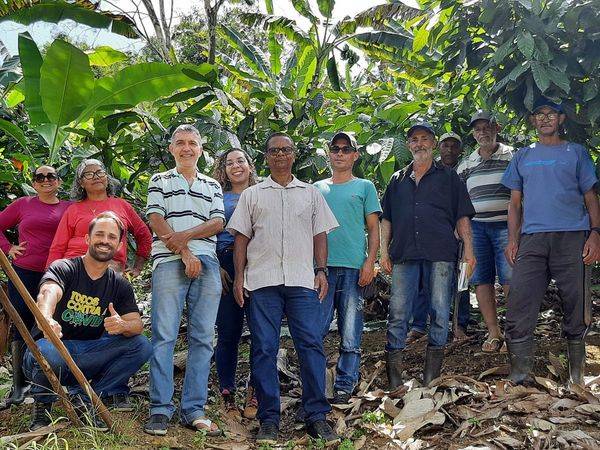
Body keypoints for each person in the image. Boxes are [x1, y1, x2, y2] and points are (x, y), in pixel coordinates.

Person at [227, 132, 340, 445]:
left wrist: (321, 271)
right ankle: (269, 419)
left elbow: (320, 235)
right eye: (274, 150)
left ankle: (317, 415)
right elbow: (241, 239)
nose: (280, 155)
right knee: (263, 348)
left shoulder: (310, 193)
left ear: (293, 154)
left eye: (285, 150)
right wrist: (239, 277)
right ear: (266, 156)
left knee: (311, 344)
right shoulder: (253, 195)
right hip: (262, 282)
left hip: (302, 280)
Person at [23, 211, 152, 431]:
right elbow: (48, 292)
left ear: (119, 244)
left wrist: (123, 325)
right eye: (99, 234)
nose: (105, 240)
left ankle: (85, 398)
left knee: (141, 345)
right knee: (48, 352)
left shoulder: (119, 284)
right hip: (53, 348)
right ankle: (42, 409)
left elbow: (137, 324)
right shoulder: (65, 267)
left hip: (90, 352)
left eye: (112, 237)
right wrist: (45, 318)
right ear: (87, 239)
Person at [501, 99, 600, 386]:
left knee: (576, 302)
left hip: (572, 237)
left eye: (550, 114)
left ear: (561, 119)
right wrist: (513, 240)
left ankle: (576, 375)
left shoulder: (576, 153)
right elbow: (514, 204)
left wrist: (595, 232)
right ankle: (519, 375)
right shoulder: (523, 156)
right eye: (539, 115)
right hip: (533, 239)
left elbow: (590, 197)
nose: (545, 119)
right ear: (533, 121)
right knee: (519, 301)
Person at [380, 122, 476, 389]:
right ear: (408, 145)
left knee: (440, 310)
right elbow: (386, 219)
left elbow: (462, 217)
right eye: (414, 139)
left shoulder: (450, 178)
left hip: (441, 253)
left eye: (424, 139)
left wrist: (469, 251)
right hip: (404, 254)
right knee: (398, 312)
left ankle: (431, 377)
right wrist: (382, 252)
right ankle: (395, 379)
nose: (419, 144)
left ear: (433, 143)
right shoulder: (397, 180)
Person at [144, 124, 225, 436]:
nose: (187, 148)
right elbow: (156, 218)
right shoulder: (160, 180)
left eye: (193, 143)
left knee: (203, 338)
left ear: (201, 150)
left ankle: (193, 409)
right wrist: (184, 252)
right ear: (172, 149)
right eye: (181, 143)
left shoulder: (212, 185)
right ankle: (160, 409)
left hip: (207, 261)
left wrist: (186, 240)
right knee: (163, 336)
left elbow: (218, 222)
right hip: (168, 261)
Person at [314, 132, 381, 405]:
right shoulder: (316, 188)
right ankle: (317, 385)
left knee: (351, 331)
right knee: (315, 330)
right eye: (335, 149)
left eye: (346, 149)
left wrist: (371, 262)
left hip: (354, 268)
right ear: (329, 153)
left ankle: (345, 384)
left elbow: (374, 228)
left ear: (355, 155)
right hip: (322, 269)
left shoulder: (365, 186)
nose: (339, 153)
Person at [0, 166, 71, 409]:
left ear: (59, 181)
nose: (46, 180)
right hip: (24, 271)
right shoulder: (23, 204)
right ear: (34, 182)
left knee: (51, 324)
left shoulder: (68, 207)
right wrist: (8, 247)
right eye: (40, 177)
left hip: (58, 273)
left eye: (51, 176)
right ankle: (20, 387)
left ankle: (47, 382)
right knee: (21, 323)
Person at [457, 112, 515, 353]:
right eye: (478, 129)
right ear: (473, 133)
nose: (483, 132)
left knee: (511, 278)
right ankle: (494, 332)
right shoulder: (466, 164)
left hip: (506, 225)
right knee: (481, 279)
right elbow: (458, 201)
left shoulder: (513, 156)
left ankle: (514, 333)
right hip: (476, 228)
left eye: (487, 127)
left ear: (497, 128)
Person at [408, 132, 471, 343]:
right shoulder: (423, 170)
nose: (450, 150)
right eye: (446, 145)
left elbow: (462, 205)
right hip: (429, 236)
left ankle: (459, 323)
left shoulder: (462, 170)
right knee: (424, 281)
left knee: (459, 279)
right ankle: (419, 324)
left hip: (457, 233)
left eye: (455, 146)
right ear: (438, 147)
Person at [212, 148, 258, 418]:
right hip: (225, 265)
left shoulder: (263, 191)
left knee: (261, 332)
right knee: (228, 331)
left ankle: (256, 389)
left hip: (258, 265)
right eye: (229, 163)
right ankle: (227, 392)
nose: (235, 166)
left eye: (240, 160)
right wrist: (214, 267)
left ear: (249, 165)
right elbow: (207, 232)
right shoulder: (217, 196)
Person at [47, 159, 152, 276]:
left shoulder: (122, 206)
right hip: (74, 266)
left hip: (111, 268)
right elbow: (58, 246)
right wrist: (51, 274)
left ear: (106, 179)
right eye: (88, 174)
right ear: (81, 183)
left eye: (99, 172)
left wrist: (137, 267)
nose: (95, 177)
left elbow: (144, 235)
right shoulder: (73, 209)